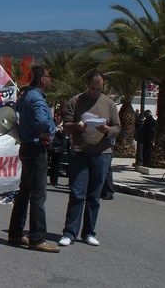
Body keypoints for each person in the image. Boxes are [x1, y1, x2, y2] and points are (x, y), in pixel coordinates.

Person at [59, 70, 121, 247]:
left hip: (102, 154)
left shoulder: (109, 103)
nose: (95, 92)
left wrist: (107, 130)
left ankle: (88, 232)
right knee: (77, 194)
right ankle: (69, 233)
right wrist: (77, 126)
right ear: (88, 85)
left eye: (99, 89)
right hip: (80, 153)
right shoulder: (76, 101)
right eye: (93, 88)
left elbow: (117, 127)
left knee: (94, 196)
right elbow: (66, 126)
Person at [7, 66, 59, 253]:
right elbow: (41, 120)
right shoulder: (37, 98)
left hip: (26, 146)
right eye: (48, 76)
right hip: (37, 148)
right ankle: (37, 238)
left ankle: (15, 233)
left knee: (24, 192)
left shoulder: (26, 96)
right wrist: (46, 132)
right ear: (42, 79)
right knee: (38, 194)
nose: (50, 79)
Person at [48, 111, 65, 187]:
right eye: (55, 114)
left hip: (58, 146)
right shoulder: (51, 122)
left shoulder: (63, 125)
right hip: (49, 144)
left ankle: (54, 181)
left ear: (61, 117)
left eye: (58, 114)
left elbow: (62, 136)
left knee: (55, 164)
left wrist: (57, 131)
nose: (56, 115)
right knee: (46, 163)